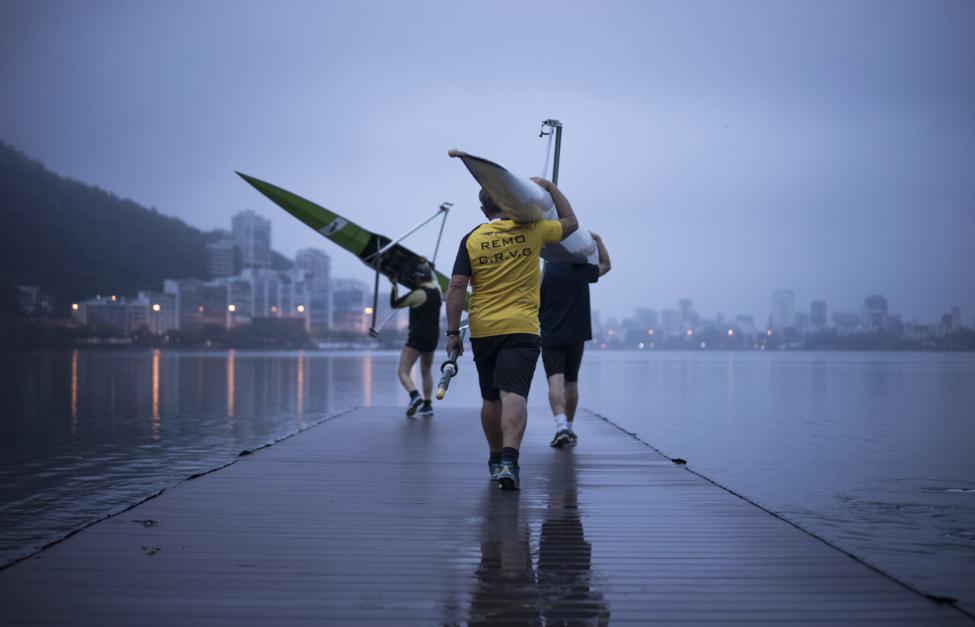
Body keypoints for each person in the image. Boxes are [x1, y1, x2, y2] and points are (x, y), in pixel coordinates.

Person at [446, 179, 578, 490]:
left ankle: (494, 459)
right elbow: (570, 224)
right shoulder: (532, 229)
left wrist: (452, 332)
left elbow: (455, 288)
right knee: (514, 394)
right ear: (510, 203)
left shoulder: (472, 238)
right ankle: (509, 459)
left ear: (483, 209)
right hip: (521, 327)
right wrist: (550, 188)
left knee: (491, 397)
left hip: (483, 328)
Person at [540, 232, 611, 447]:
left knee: (555, 381)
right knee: (571, 381)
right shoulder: (580, 270)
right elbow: (606, 265)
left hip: (551, 334)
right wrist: (599, 241)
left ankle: (560, 426)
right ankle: (569, 428)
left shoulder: (546, 273)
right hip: (577, 334)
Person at [390, 259, 442, 417]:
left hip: (417, 338)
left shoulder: (417, 294)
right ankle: (427, 405)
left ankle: (414, 395)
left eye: (415, 277)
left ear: (419, 278)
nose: (413, 280)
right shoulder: (437, 291)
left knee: (403, 371)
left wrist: (394, 284)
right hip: (433, 337)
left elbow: (395, 303)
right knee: (426, 371)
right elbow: (433, 277)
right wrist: (427, 264)